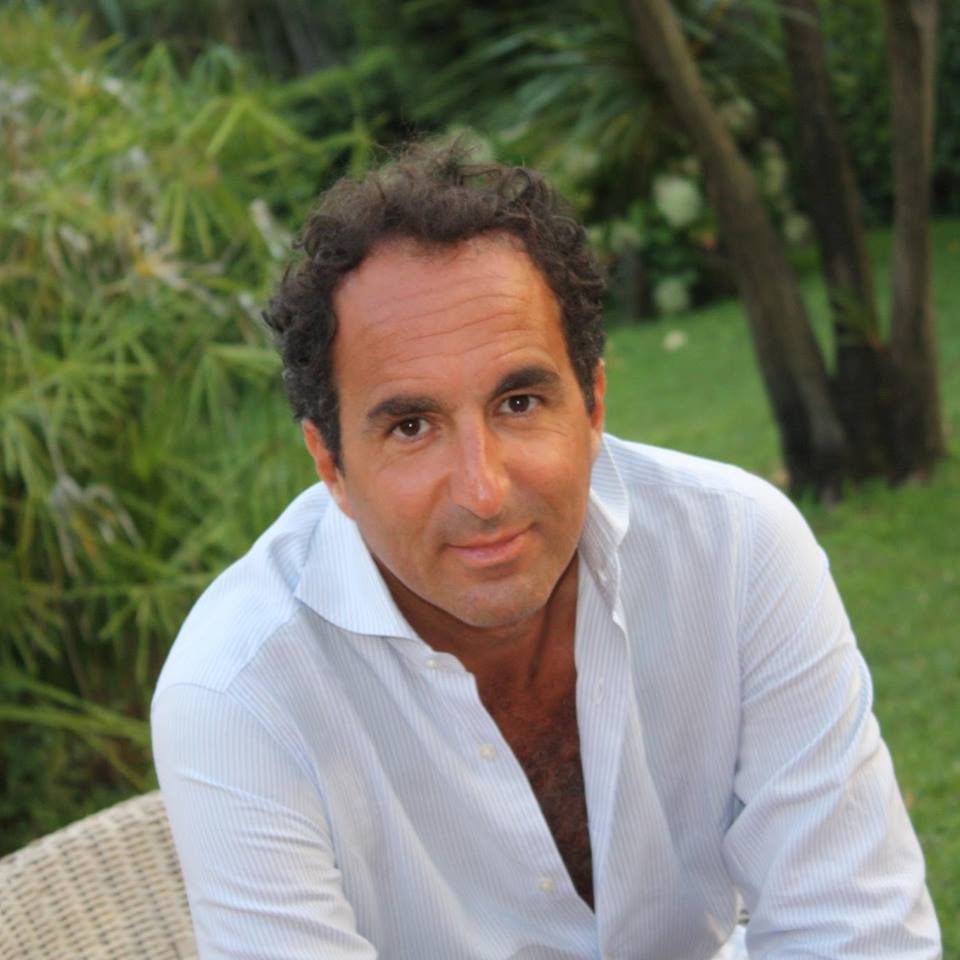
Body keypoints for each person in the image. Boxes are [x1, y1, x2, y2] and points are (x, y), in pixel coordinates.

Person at [152, 143, 941, 960]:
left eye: (520, 402)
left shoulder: (736, 550)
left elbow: (856, 933)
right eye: (412, 426)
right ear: (331, 465)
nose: (483, 490)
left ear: (592, 404)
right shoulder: (238, 696)